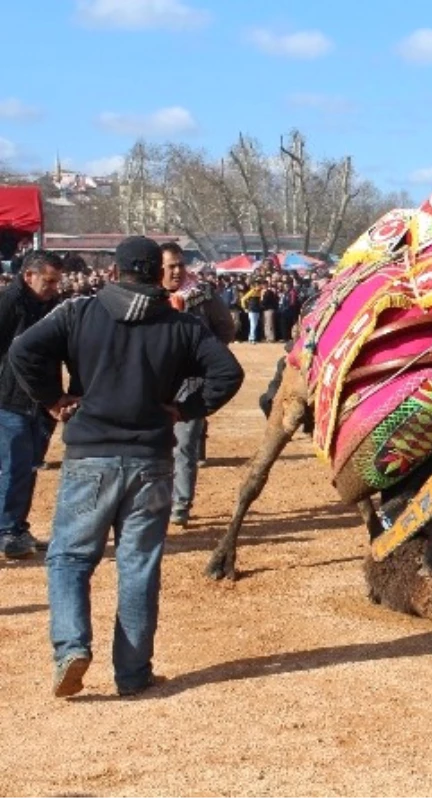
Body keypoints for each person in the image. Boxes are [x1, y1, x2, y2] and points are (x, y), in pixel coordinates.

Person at [7, 236, 244, 698]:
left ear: (113, 272)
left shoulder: (78, 312)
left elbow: (23, 352)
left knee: (70, 559)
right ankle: (133, 673)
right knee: (138, 566)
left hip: (90, 455)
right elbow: (228, 373)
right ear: (160, 274)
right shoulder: (183, 325)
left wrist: (53, 399)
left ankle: (72, 646)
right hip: (152, 459)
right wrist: (186, 408)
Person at [161, 243, 236, 527]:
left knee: (184, 445)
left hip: (192, 382)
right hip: (155, 381)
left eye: (180, 264)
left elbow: (225, 329)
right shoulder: (148, 296)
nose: (177, 271)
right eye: (171, 266)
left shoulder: (202, 295)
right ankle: (155, 499)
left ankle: (180, 504)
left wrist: (207, 357)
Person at [0, 252, 63, 559]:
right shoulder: (8, 305)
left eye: (57, 282)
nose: (54, 287)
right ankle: (7, 532)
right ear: (29, 276)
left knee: (29, 467)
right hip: (9, 400)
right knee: (13, 468)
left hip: (40, 402)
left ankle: (17, 527)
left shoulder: (51, 306)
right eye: (49, 281)